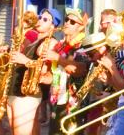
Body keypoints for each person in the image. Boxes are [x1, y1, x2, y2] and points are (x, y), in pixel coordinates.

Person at [8, 7, 61, 135]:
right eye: (40, 17)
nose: (40, 20)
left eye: (45, 19)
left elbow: (46, 72)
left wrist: (24, 60)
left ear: (52, 26)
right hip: (17, 89)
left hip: (27, 93)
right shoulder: (34, 39)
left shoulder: (51, 42)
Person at [45, 7, 89, 134]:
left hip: (73, 104)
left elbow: (80, 69)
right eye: (67, 19)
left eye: (73, 22)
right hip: (57, 99)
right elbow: (57, 73)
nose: (67, 23)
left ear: (81, 27)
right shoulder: (61, 45)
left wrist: (56, 58)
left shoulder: (84, 45)